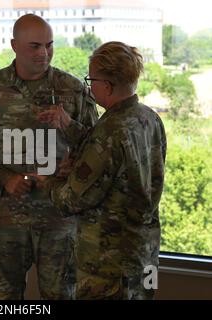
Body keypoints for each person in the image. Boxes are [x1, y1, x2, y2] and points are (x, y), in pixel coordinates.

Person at [0, 14, 98, 299]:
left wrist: (69, 128)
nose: (43, 53)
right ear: (14, 46)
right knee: (4, 297)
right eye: (34, 46)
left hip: (60, 218)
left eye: (49, 45)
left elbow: (97, 148)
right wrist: (3, 177)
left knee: (61, 294)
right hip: (6, 218)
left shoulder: (72, 90)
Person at [36, 41, 167, 299]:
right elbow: (118, 156)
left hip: (109, 268)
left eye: (91, 79)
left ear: (107, 85)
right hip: (145, 256)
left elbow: (70, 200)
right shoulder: (149, 118)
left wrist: (49, 181)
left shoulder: (109, 132)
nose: (89, 86)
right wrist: (69, 125)